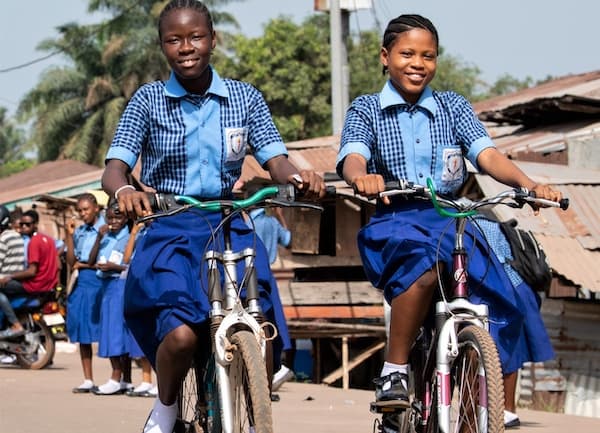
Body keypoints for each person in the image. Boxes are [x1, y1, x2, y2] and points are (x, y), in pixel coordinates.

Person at [101, 2, 325, 432]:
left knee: (263, 333)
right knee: (181, 337)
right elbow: (115, 166)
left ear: (212, 39)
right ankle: (165, 411)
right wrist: (125, 189)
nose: (187, 47)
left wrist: (298, 178)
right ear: (162, 45)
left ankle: (244, 403)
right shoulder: (148, 100)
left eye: (196, 37)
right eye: (174, 40)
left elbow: (275, 159)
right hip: (170, 226)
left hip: (228, 223)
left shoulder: (244, 97)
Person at [335, 14, 562, 432]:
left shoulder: (453, 107)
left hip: (455, 217)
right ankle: (395, 371)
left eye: (428, 55)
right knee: (424, 267)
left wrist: (529, 185)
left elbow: (487, 155)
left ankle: (491, 400)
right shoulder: (366, 108)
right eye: (407, 54)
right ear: (385, 57)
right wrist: (360, 176)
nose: (417, 63)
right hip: (398, 220)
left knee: (512, 288)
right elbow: (353, 155)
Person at [246, 205, 295, 391]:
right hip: (268, 273)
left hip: (245, 271)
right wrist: (281, 216)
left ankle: (261, 371)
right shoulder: (273, 222)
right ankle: (273, 367)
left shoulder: (247, 223)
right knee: (270, 320)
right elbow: (288, 240)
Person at [87, 200, 134, 395]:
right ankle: (123, 378)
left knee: (116, 333)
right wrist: (99, 237)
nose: (114, 221)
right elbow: (90, 260)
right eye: (110, 218)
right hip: (105, 287)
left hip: (119, 285)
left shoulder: (129, 237)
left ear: (126, 218)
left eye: (118, 217)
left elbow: (132, 264)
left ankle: (117, 376)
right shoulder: (106, 236)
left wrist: (115, 268)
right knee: (109, 331)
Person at [65, 193, 105, 393]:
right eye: (80, 210)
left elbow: (92, 260)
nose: (82, 214)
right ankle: (88, 378)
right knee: (82, 330)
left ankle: (123, 378)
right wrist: (69, 236)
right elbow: (72, 261)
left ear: (96, 208)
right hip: (82, 282)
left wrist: (86, 263)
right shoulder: (79, 231)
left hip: (100, 280)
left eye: (86, 209)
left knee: (108, 328)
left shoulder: (107, 226)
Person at [0, 209, 58, 338]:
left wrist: (10, 277)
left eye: (28, 224)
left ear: (35, 224)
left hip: (35, 285)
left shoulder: (33, 242)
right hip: (48, 285)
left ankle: (15, 325)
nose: (24, 227)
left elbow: (32, 271)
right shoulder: (48, 239)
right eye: (22, 224)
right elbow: (58, 263)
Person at [0, 207, 26, 339]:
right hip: (17, 278)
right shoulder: (16, 236)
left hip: (7, 279)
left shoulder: (3, 239)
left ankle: (15, 324)